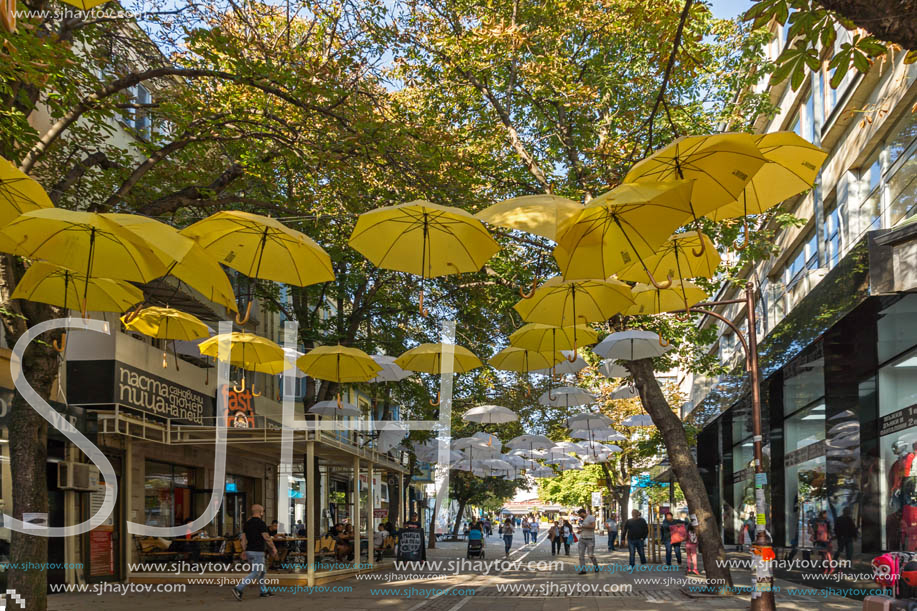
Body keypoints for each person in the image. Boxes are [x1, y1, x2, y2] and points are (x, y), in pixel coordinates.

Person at [232, 504, 278, 601]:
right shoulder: (261, 523)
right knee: (256, 572)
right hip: (258, 551)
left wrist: (244, 550)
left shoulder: (247, 523)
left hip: (249, 551)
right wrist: (273, 548)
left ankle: (263, 591)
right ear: (261, 512)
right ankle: (238, 588)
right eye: (263, 512)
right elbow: (266, 538)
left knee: (262, 571)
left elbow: (243, 539)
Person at [810, 510, 835, 574]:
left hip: (822, 540)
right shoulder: (826, 521)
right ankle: (826, 568)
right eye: (825, 514)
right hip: (825, 540)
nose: (826, 516)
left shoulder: (817, 521)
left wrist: (815, 539)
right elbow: (830, 531)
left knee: (826, 555)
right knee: (825, 555)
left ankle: (829, 568)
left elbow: (814, 530)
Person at [576, 508, 598, 574]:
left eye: (580, 515)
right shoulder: (583, 519)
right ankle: (583, 570)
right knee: (581, 555)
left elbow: (593, 526)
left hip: (590, 539)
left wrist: (583, 527)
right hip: (582, 539)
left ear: (583, 513)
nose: (580, 516)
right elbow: (585, 528)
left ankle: (596, 566)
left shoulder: (591, 517)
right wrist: (580, 530)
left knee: (590, 555)